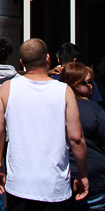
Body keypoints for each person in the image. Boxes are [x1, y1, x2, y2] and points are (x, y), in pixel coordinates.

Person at [0, 37, 89, 210]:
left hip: (20, 184)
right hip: (54, 184)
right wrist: (83, 173)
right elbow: (76, 138)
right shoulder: (64, 91)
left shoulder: (7, 88)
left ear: (22, 62)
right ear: (48, 59)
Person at [59, 62, 105, 210]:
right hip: (92, 180)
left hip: (60, 179)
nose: (92, 86)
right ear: (76, 86)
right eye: (89, 82)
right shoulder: (95, 110)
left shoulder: (53, 107)